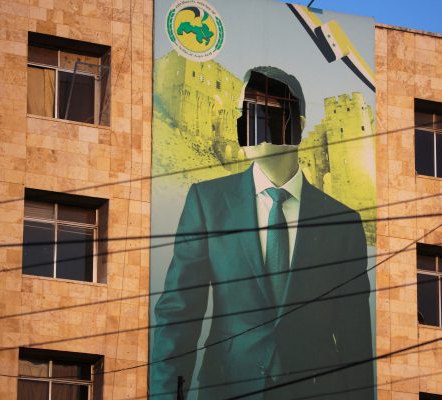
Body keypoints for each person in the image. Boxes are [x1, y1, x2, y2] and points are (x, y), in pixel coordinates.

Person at [151, 67, 374, 400]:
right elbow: (178, 315)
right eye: (245, 113)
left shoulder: (343, 223)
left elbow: (355, 340)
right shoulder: (208, 203)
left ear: (296, 127)